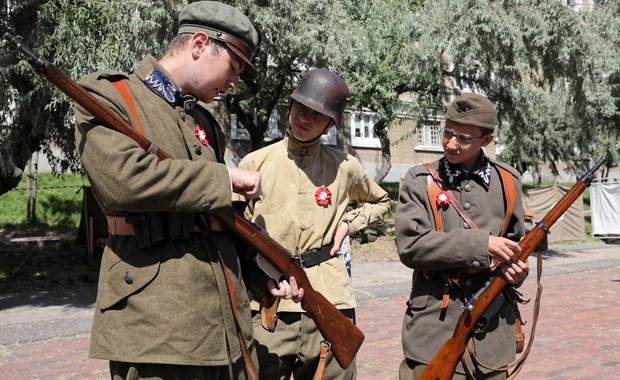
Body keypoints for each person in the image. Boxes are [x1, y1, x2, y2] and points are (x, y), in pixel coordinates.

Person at [73, 2, 302, 379]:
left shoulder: (204, 122)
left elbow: (220, 220)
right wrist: (224, 180)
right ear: (199, 43)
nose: (233, 83)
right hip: (158, 326)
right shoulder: (112, 97)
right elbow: (124, 182)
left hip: (226, 323)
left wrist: (263, 276)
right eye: (234, 67)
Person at [237, 68, 391, 380]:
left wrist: (349, 222)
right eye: (299, 108)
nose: (303, 119)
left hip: (329, 299)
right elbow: (235, 231)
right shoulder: (255, 164)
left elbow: (383, 202)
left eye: (315, 114)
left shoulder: (344, 167)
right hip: (269, 303)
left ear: (329, 123)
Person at [395, 93, 530, 379]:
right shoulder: (419, 180)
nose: (451, 144)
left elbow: (518, 246)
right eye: (447, 133)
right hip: (433, 329)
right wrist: (482, 244)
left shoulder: (508, 181)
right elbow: (411, 247)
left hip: (492, 334)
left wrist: (518, 272)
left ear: (487, 140)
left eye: (464, 138)